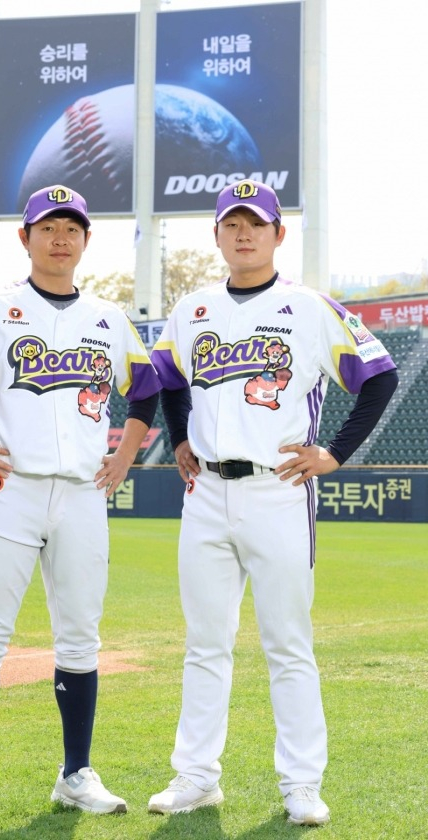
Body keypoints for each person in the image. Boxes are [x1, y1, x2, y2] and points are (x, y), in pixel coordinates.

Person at [0, 184, 161, 821]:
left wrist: (126, 455)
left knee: (81, 638)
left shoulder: (108, 318)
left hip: (82, 494)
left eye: (71, 228)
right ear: (25, 238)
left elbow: (147, 386)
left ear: (86, 240)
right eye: (48, 227)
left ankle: (76, 773)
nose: (60, 238)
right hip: (9, 490)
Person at [148, 178, 398, 825]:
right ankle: (196, 776)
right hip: (206, 492)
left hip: (278, 489)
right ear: (216, 236)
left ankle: (302, 785)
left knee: (287, 643)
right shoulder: (192, 309)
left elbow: (379, 376)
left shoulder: (309, 307)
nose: (244, 234)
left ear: (278, 234)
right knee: (206, 644)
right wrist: (179, 436)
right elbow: (167, 378)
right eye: (232, 224)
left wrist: (334, 453)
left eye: (255, 223)